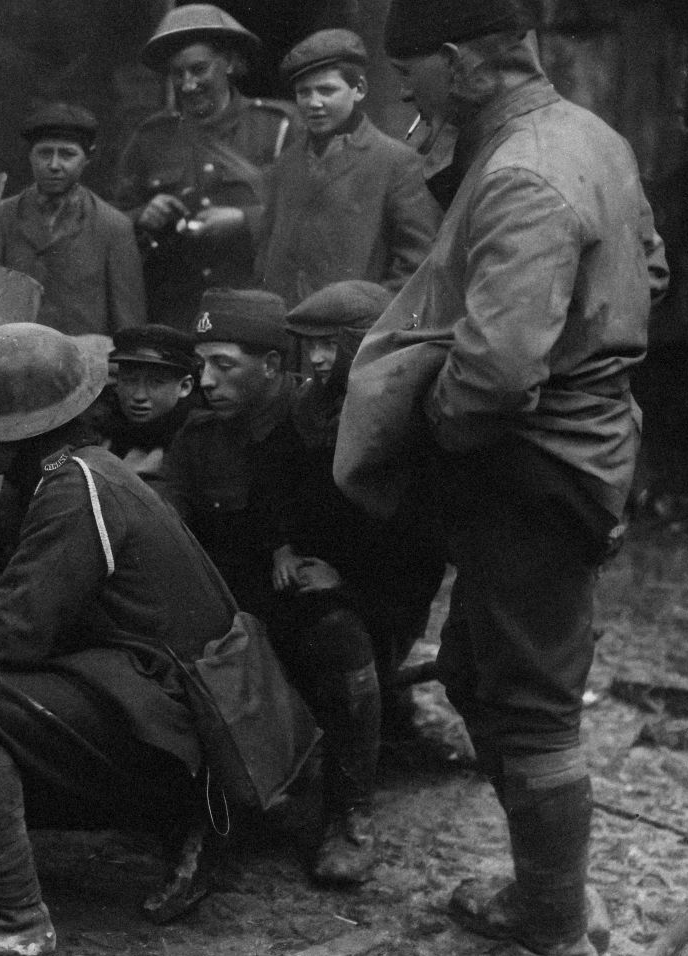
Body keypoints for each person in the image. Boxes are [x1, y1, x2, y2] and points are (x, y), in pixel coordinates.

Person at [351, 0, 661, 956]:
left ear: (461, 64)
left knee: (528, 702)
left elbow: (493, 378)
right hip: (565, 446)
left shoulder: (525, 172)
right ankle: (547, 892)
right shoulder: (586, 137)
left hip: (532, 465)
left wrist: (427, 424)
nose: (408, 94)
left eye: (416, 77)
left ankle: (555, 937)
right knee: (473, 673)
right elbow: (649, 262)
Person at [0, 323, 234, 956]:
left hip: (181, 721)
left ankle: (11, 917)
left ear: (16, 432)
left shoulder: (77, 489)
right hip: (168, 698)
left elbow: (9, 637)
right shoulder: (81, 470)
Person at [161, 288, 385, 886]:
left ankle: (351, 813)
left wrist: (349, 579)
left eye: (224, 365)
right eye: (201, 365)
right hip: (229, 605)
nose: (205, 381)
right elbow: (170, 527)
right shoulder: (200, 437)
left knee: (340, 641)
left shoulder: (327, 426)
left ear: (271, 365)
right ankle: (218, 805)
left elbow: (389, 531)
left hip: (320, 603)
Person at [284, 281, 449, 757]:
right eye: (310, 344)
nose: (317, 358)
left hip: (389, 578)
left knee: (358, 653)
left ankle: (358, 769)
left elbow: (412, 531)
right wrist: (288, 545)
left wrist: (344, 581)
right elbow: (293, 491)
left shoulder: (403, 407)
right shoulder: (309, 405)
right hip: (322, 562)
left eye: (329, 344)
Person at [113, 4, 295, 327]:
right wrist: (143, 215)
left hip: (252, 312)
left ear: (229, 63)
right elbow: (113, 222)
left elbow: (306, 214)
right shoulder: (151, 137)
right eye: (177, 74)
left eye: (199, 70)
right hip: (175, 314)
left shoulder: (276, 128)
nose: (187, 84)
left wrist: (244, 220)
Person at [254, 29, 440, 306]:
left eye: (327, 90)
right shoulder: (287, 164)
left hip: (353, 332)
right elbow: (265, 257)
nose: (314, 103)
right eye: (303, 92)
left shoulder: (397, 163)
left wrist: (371, 317)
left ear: (359, 89)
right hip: (287, 329)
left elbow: (416, 264)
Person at [0, 104, 144, 337]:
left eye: (67, 154)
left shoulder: (114, 226)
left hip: (81, 365)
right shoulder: (1, 217)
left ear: (87, 157)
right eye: (45, 153)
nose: (54, 165)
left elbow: (129, 328)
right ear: (30, 155)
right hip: (11, 361)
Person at [93, 324, 201, 495]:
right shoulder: (99, 430)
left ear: (185, 387)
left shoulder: (195, 442)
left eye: (156, 382)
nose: (139, 395)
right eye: (130, 380)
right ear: (117, 382)